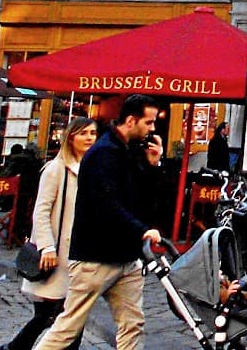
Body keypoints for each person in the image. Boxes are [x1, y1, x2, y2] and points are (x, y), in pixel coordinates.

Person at [34, 95, 164, 350]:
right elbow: (107, 205)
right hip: (95, 257)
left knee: (132, 324)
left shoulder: (130, 152)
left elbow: (143, 200)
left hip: (125, 257)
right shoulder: (104, 153)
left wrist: (153, 165)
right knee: (68, 328)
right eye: (148, 123)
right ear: (131, 120)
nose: (152, 129)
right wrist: (142, 230)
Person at [0, 116, 97, 350]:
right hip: (56, 254)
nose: (89, 138)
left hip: (80, 255)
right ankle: (14, 348)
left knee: (72, 315)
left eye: (93, 134)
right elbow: (40, 211)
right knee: (49, 315)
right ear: (70, 137)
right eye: (84, 133)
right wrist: (47, 247)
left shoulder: (93, 170)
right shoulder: (56, 169)